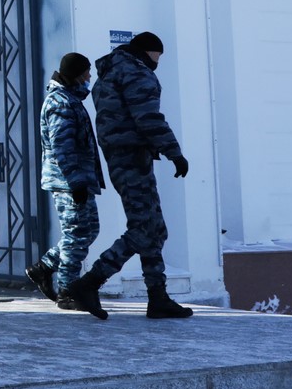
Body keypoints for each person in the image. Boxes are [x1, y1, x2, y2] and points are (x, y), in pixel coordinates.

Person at [61, 32, 194, 321]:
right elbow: (148, 117)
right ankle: (89, 283)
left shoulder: (110, 72)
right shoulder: (136, 72)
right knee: (144, 228)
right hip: (132, 157)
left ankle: (158, 297)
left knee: (154, 227)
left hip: (123, 157)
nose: (159, 61)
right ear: (149, 51)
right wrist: (174, 152)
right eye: (159, 55)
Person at [27, 52, 104, 308]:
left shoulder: (70, 98)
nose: (89, 77)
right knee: (77, 234)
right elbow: (62, 146)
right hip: (68, 182)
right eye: (86, 73)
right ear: (76, 75)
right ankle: (67, 291)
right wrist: (76, 182)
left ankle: (43, 268)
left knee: (88, 230)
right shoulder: (60, 102)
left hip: (77, 179)